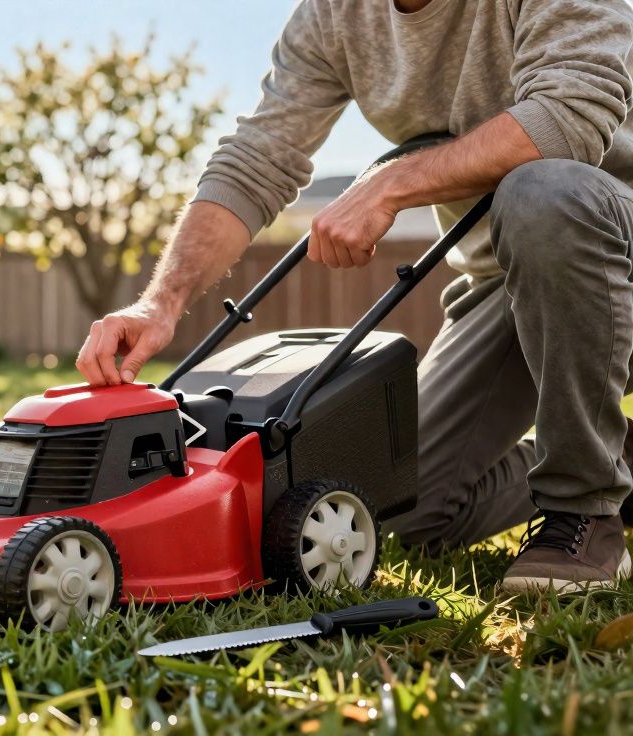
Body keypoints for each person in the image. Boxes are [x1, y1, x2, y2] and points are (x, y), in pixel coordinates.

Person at [75, 0, 633, 593]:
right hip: (508, 279)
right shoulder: (334, 14)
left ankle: (586, 508)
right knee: (404, 504)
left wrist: (390, 185)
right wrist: (159, 302)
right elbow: (257, 157)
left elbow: (567, 119)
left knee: (542, 191)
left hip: (604, 234)